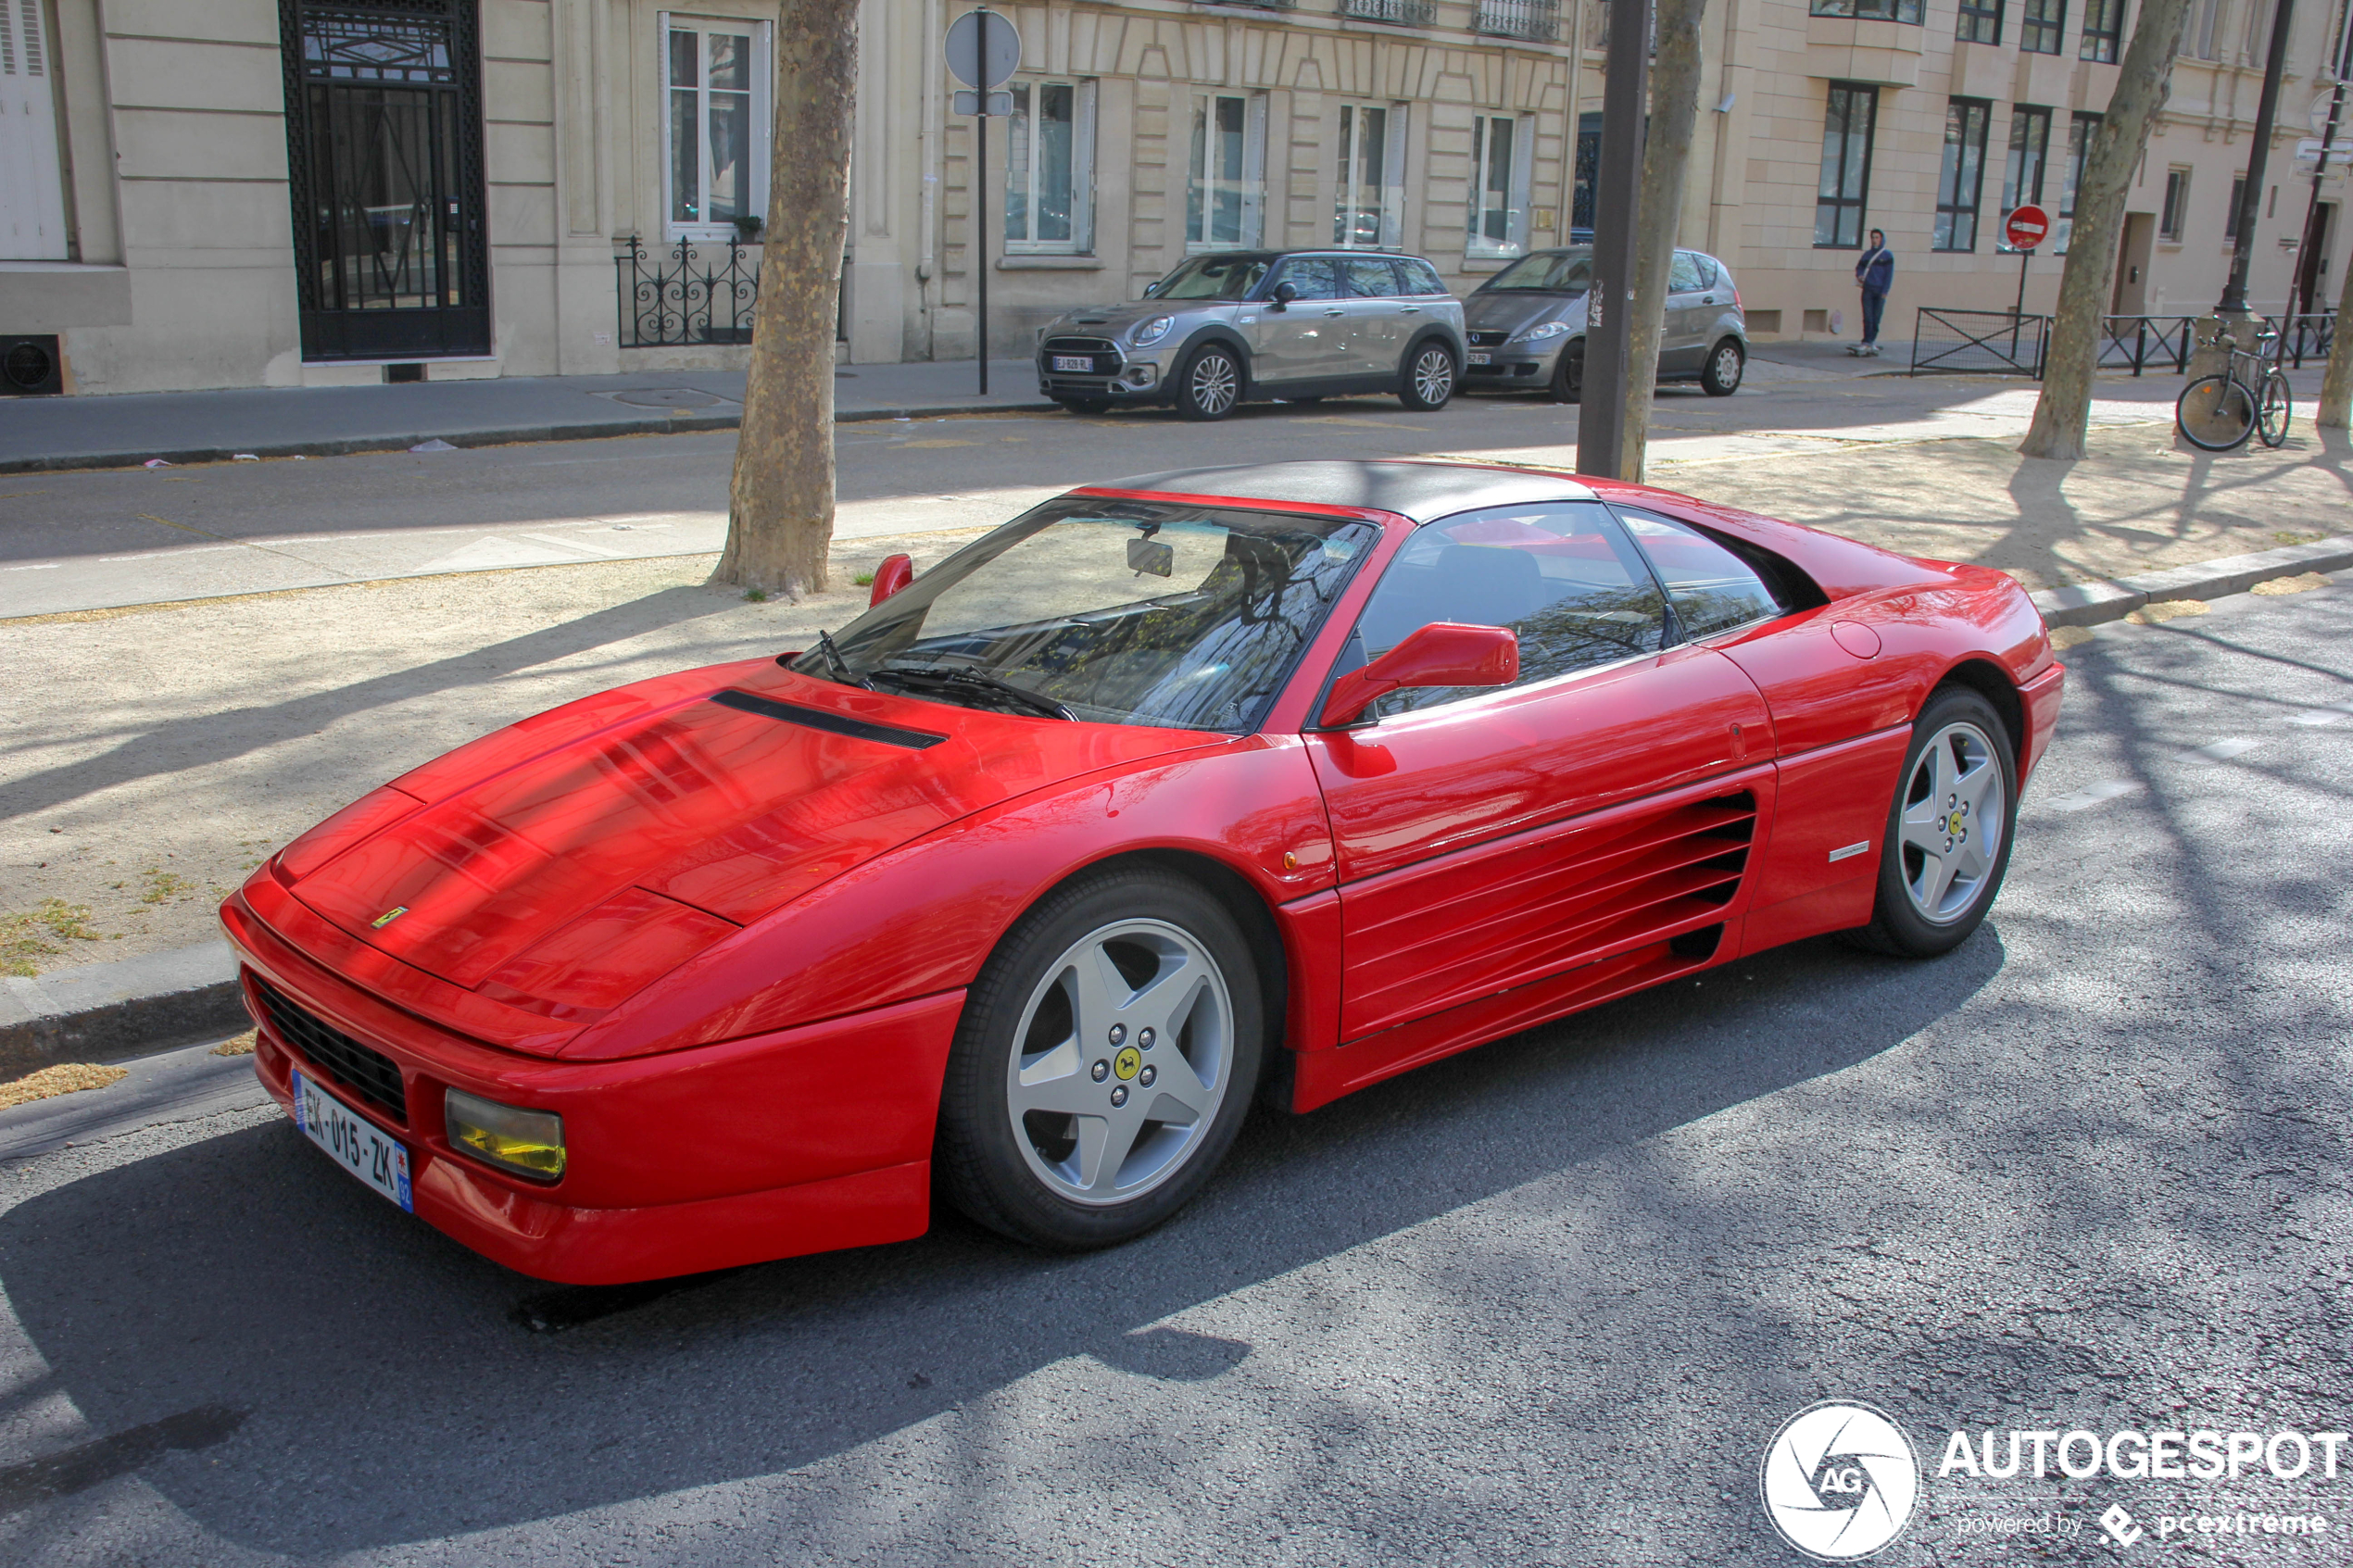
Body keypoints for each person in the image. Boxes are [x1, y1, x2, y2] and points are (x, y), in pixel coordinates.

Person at [1851, 231, 1894, 357]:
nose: (1874, 240)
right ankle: (1866, 341)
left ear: (1882, 239)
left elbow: (1889, 275)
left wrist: (1885, 291)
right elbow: (1859, 267)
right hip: (1868, 289)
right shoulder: (1867, 255)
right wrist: (1859, 275)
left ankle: (1871, 340)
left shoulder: (1887, 255)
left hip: (1880, 291)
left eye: (1877, 237)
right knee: (1868, 317)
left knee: (1876, 318)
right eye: (1873, 237)